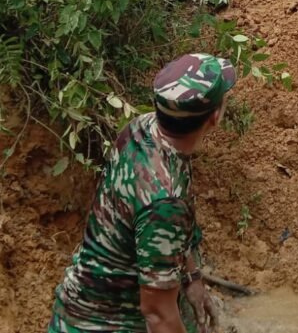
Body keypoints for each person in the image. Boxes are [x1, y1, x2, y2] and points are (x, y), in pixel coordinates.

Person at [47, 53, 236, 333]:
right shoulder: (166, 200)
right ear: (215, 117)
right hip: (102, 324)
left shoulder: (143, 127)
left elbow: (167, 235)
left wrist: (193, 278)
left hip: (88, 297)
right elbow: (158, 316)